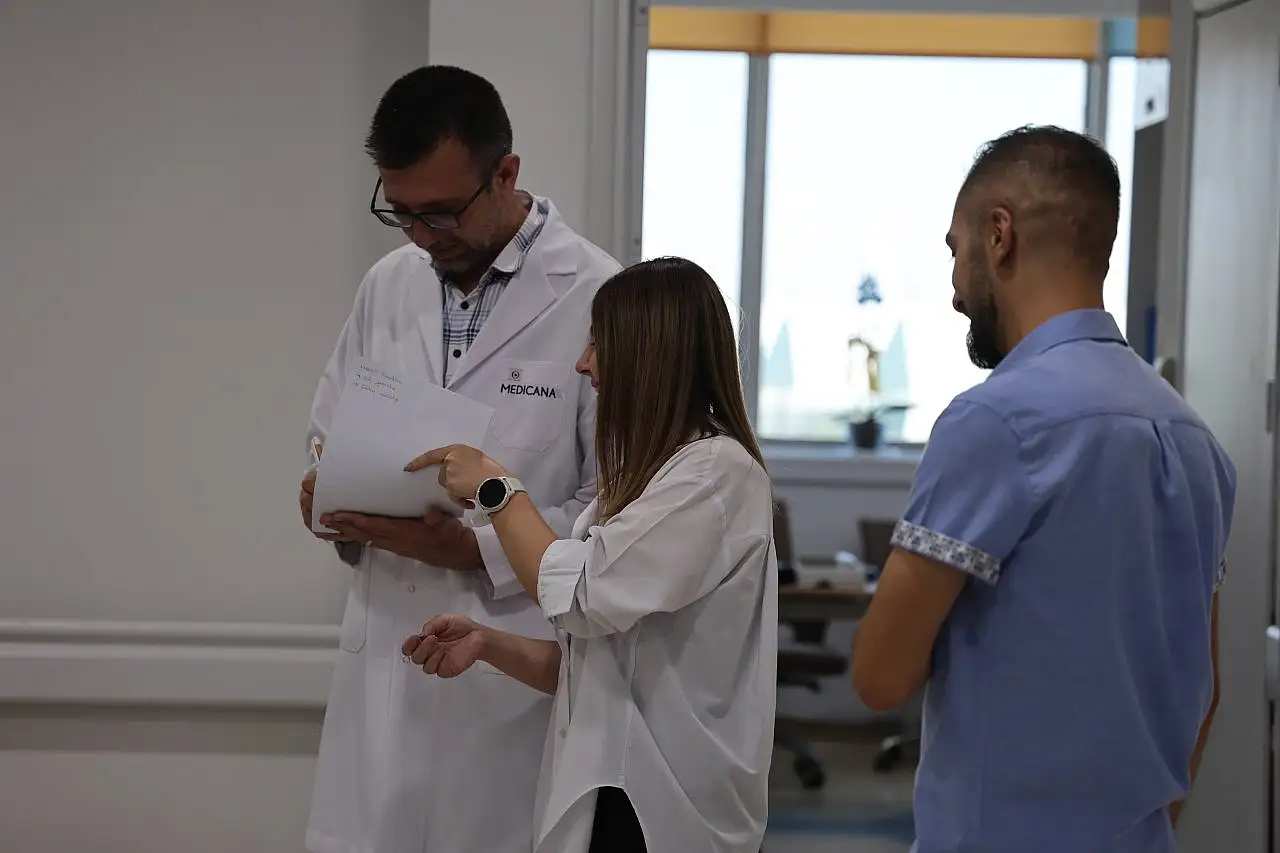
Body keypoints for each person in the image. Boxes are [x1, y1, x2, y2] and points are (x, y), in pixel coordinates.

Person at [850, 125, 1235, 853]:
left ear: (999, 236)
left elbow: (879, 674)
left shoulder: (995, 422)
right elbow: (1205, 689)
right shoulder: (1198, 443)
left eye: (956, 250)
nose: (955, 288)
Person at [297, 65, 620, 853]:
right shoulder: (388, 285)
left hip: (510, 666)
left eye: (439, 213)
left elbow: (611, 505)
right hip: (385, 651)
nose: (420, 235)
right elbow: (327, 430)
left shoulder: (596, 294)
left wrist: (476, 549)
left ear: (505, 173)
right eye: (400, 211)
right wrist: (323, 490)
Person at [400, 257, 778, 853]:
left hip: (663, 807)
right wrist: (489, 643)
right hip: (615, 791)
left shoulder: (714, 475)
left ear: (647, 354)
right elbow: (600, 667)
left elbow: (580, 596)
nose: (583, 364)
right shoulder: (650, 477)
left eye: (598, 343)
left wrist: (497, 488)